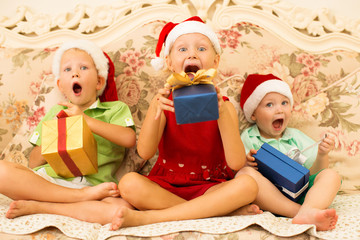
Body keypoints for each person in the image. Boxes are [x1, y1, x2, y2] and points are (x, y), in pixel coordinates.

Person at [109, 16, 261, 230]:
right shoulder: (162, 102)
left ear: (215, 62)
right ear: (169, 63)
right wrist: (156, 110)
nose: (192, 54)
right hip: (167, 186)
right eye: (182, 49)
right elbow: (144, 152)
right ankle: (212, 213)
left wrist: (222, 114)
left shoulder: (224, 106)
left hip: (210, 187)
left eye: (201, 48)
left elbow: (236, 163)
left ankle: (152, 218)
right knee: (128, 183)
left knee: (248, 186)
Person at [3, 40, 136, 220]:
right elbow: (33, 163)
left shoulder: (114, 109)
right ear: (60, 86)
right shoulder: (55, 113)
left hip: (95, 185)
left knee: (120, 211)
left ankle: (42, 207)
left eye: (83, 68)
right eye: (67, 69)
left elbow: (129, 139)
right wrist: (57, 137)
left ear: (99, 82)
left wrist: (85, 120)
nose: (75, 73)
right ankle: (79, 197)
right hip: (50, 185)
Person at [235, 73, 342, 231]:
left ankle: (308, 209)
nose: (279, 109)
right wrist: (246, 162)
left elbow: (317, 171)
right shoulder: (249, 137)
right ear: (253, 114)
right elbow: (236, 166)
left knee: (332, 175)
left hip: (303, 195)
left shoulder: (295, 136)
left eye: (284, 103)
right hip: (270, 197)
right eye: (269, 105)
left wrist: (322, 154)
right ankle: (302, 213)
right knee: (244, 175)